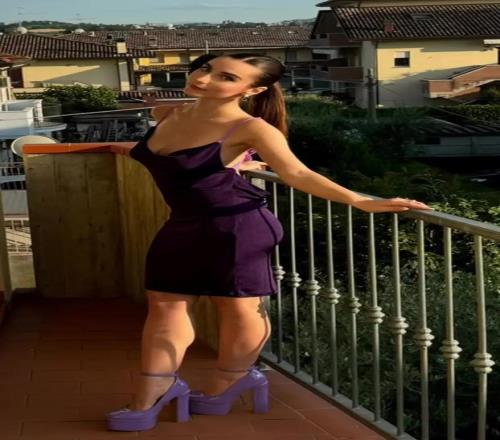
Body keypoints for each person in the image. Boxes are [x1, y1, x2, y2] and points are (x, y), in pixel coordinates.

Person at [106, 53, 433, 431]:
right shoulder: (168, 113)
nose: (204, 79)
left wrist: (359, 200)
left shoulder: (252, 128)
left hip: (236, 227)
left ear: (253, 90)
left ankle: (231, 379)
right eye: (206, 68)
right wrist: (232, 166)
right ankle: (157, 388)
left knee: (238, 308)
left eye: (226, 77)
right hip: (182, 224)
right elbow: (191, 164)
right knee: (164, 306)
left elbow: (297, 173)